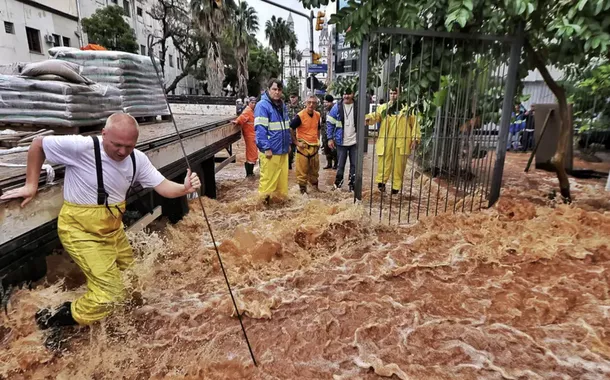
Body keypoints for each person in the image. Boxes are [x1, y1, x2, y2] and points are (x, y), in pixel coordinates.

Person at [0, 113, 201, 332]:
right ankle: (51, 319)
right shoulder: (82, 147)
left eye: (129, 146)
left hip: (112, 229)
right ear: (104, 134)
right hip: (79, 230)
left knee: (132, 282)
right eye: (117, 145)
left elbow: (163, 186)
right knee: (111, 294)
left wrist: (184, 188)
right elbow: (38, 144)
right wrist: (31, 185)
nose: (123, 152)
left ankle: (119, 325)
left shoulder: (137, 159)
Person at [366, 88, 420, 194]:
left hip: (401, 142)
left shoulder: (408, 109)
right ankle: (381, 187)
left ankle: (395, 190)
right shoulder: (383, 108)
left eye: (395, 93)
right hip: (386, 141)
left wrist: (415, 139)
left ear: (400, 94)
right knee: (383, 164)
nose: (392, 95)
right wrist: (367, 119)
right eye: (390, 93)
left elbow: (415, 125)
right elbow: (375, 116)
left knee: (398, 167)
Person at [254, 78, 291, 203]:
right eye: (274, 89)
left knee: (282, 184)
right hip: (270, 151)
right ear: (268, 90)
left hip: (282, 150)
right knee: (267, 183)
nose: (277, 92)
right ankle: (263, 208)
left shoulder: (282, 105)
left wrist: (288, 143)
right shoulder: (262, 106)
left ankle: (279, 211)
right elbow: (260, 130)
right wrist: (265, 148)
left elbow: (286, 126)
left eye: (279, 90)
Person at [327, 88, 359, 192]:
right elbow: (330, 123)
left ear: (353, 94)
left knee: (354, 165)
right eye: (344, 94)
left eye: (348, 94)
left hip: (355, 142)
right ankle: (338, 184)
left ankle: (353, 185)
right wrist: (330, 138)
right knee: (340, 165)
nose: (346, 96)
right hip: (341, 142)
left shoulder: (358, 106)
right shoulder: (337, 107)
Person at [290, 95, 321, 194]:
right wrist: (296, 142)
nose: (311, 105)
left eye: (314, 103)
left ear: (316, 104)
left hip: (314, 147)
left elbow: (318, 128)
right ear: (305, 103)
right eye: (309, 102)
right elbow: (290, 129)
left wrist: (318, 140)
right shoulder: (300, 116)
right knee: (302, 172)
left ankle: (315, 191)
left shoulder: (317, 115)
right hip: (303, 147)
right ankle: (303, 193)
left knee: (315, 171)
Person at [232, 97, 258, 177]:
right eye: (252, 103)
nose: (253, 104)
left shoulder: (252, 111)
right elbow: (241, 118)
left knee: (253, 154)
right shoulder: (248, 111)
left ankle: (250, 173)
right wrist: (236, 121)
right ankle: (249, 173)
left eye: (254, 103)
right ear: (249, 103)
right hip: (250, 136)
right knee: (251, 154)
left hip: (253, 136)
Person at [287, 93, 305, 170]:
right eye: (291, 97)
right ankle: (289, 163)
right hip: (289, 131)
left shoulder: (301, 108)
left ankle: (301, 166)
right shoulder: (286, 108)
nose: (293, 99)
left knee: (300, 149)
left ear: (297, 98)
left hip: (299, 132)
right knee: (289, 149)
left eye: (294, 97)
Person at [321, 94, 337, 169]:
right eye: (324, 102)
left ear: (331, 102)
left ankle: (336, 163)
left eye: (327, 102)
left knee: (333, 149)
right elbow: (323, 121)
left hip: (333, 133)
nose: (325, 104)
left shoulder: (335, 110)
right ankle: (329, 163)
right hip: (325, 132)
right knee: (326, 148)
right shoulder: (324, 110)